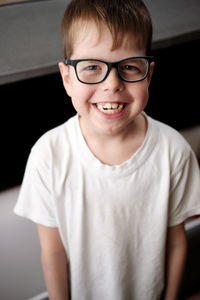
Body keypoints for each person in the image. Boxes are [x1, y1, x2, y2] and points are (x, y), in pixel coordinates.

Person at [14, 0, 200, 299]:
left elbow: (176, 242)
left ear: (148, 75)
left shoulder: (172, 151)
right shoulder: (48, 154)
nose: (112, 84)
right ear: (66, 78)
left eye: (128, 67)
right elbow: (52, 251)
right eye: (91, 67)